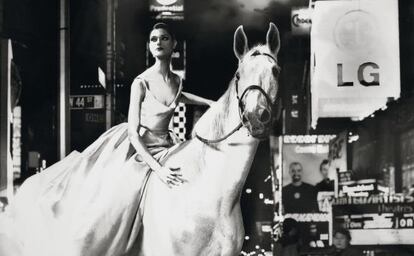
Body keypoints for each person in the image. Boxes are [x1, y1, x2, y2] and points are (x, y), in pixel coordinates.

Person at [0, 22, 213, 256]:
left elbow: (179, 97)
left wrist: (210, 103)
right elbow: (133, 133)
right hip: (137, 147)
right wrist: (158, 169)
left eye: (163, 38)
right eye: (153, 39)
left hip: (165, 144)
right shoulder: (140, 82)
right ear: (150, 46)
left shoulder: (176, 81)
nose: (158, 43)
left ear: (173, 44)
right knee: (121, 196)